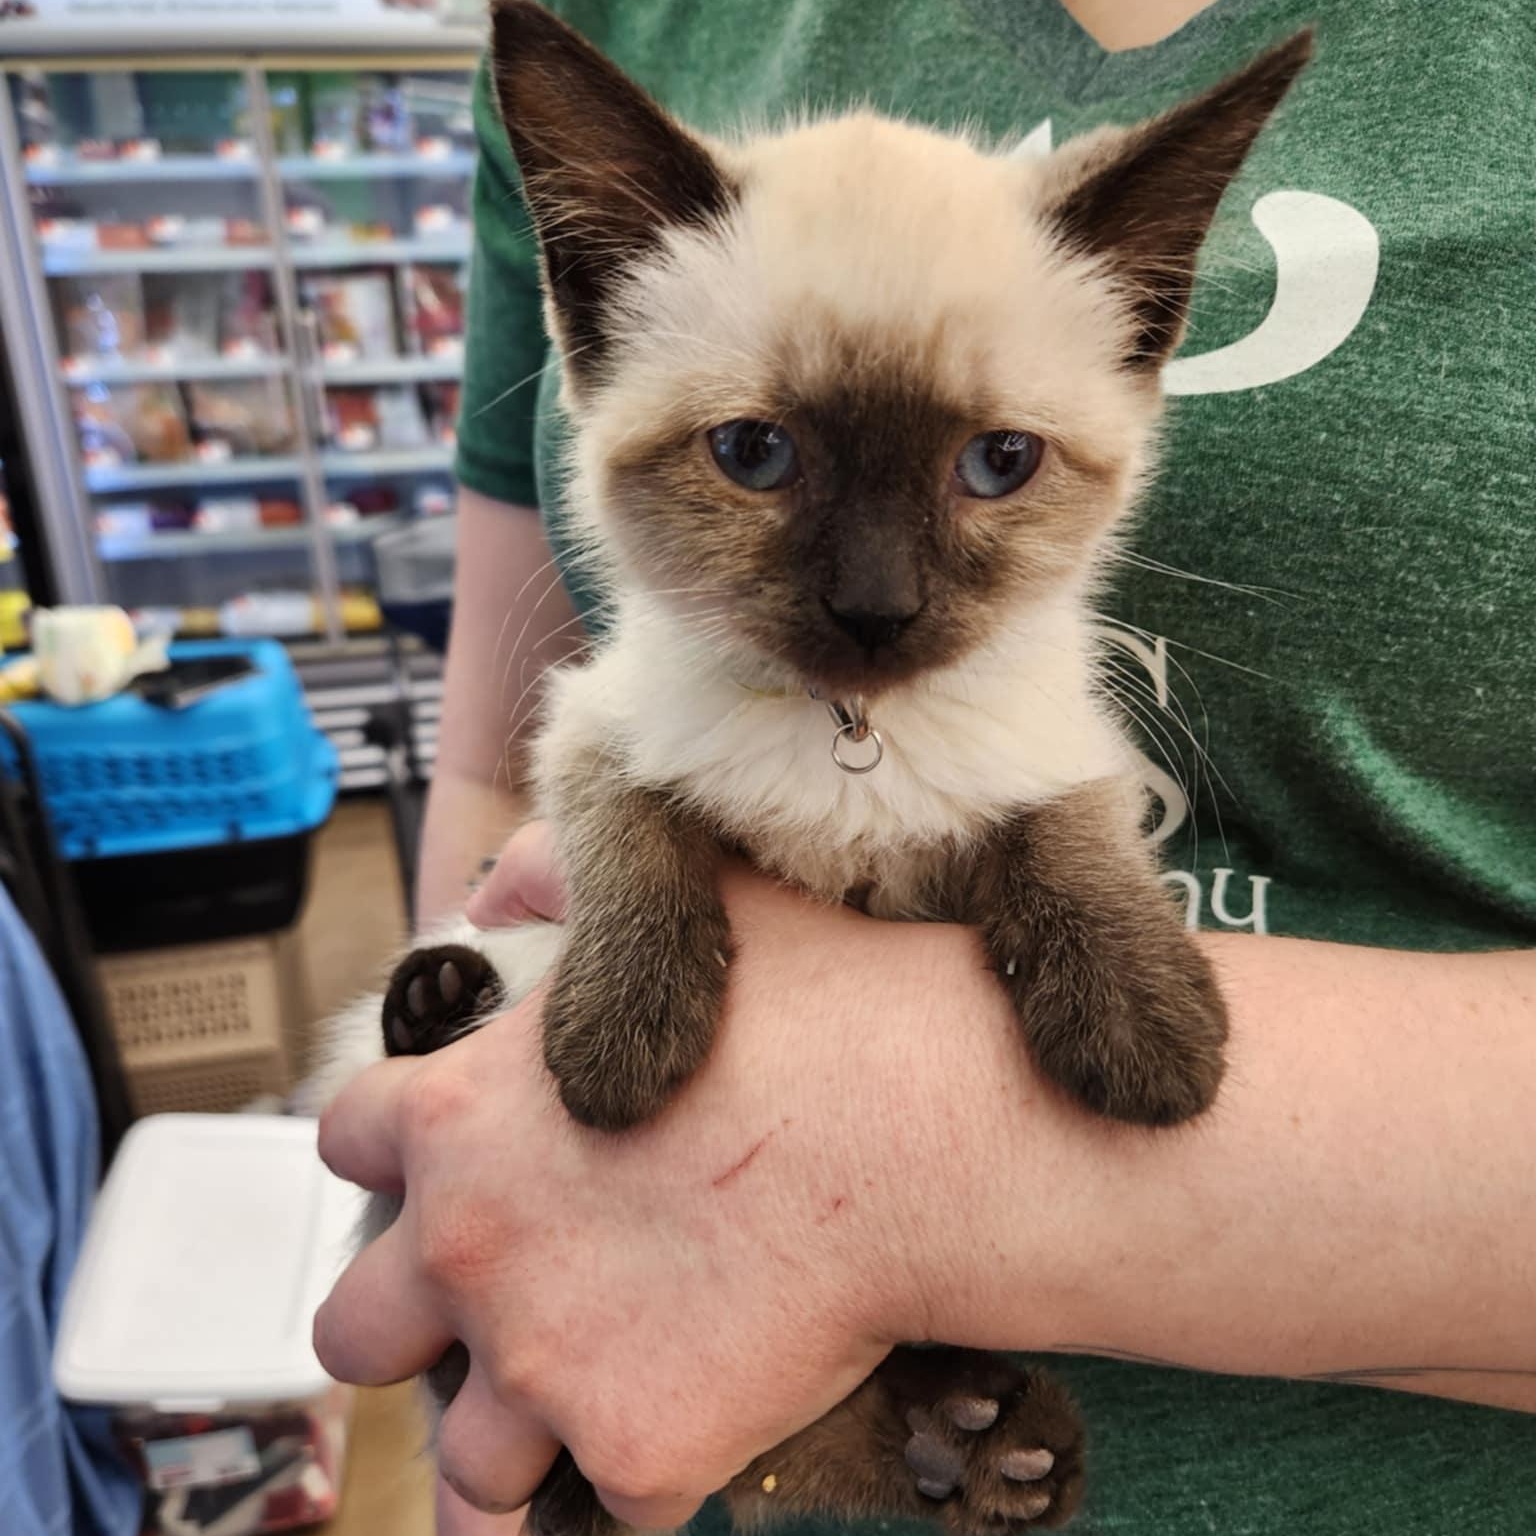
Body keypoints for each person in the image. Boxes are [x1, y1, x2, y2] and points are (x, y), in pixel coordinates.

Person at [314, 1, 1536, 1532]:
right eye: (759, 455)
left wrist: (898, 1156)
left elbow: (1058, 829)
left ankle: (904, 1428)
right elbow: (501, 777)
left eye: (994, 464)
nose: (880, 591)